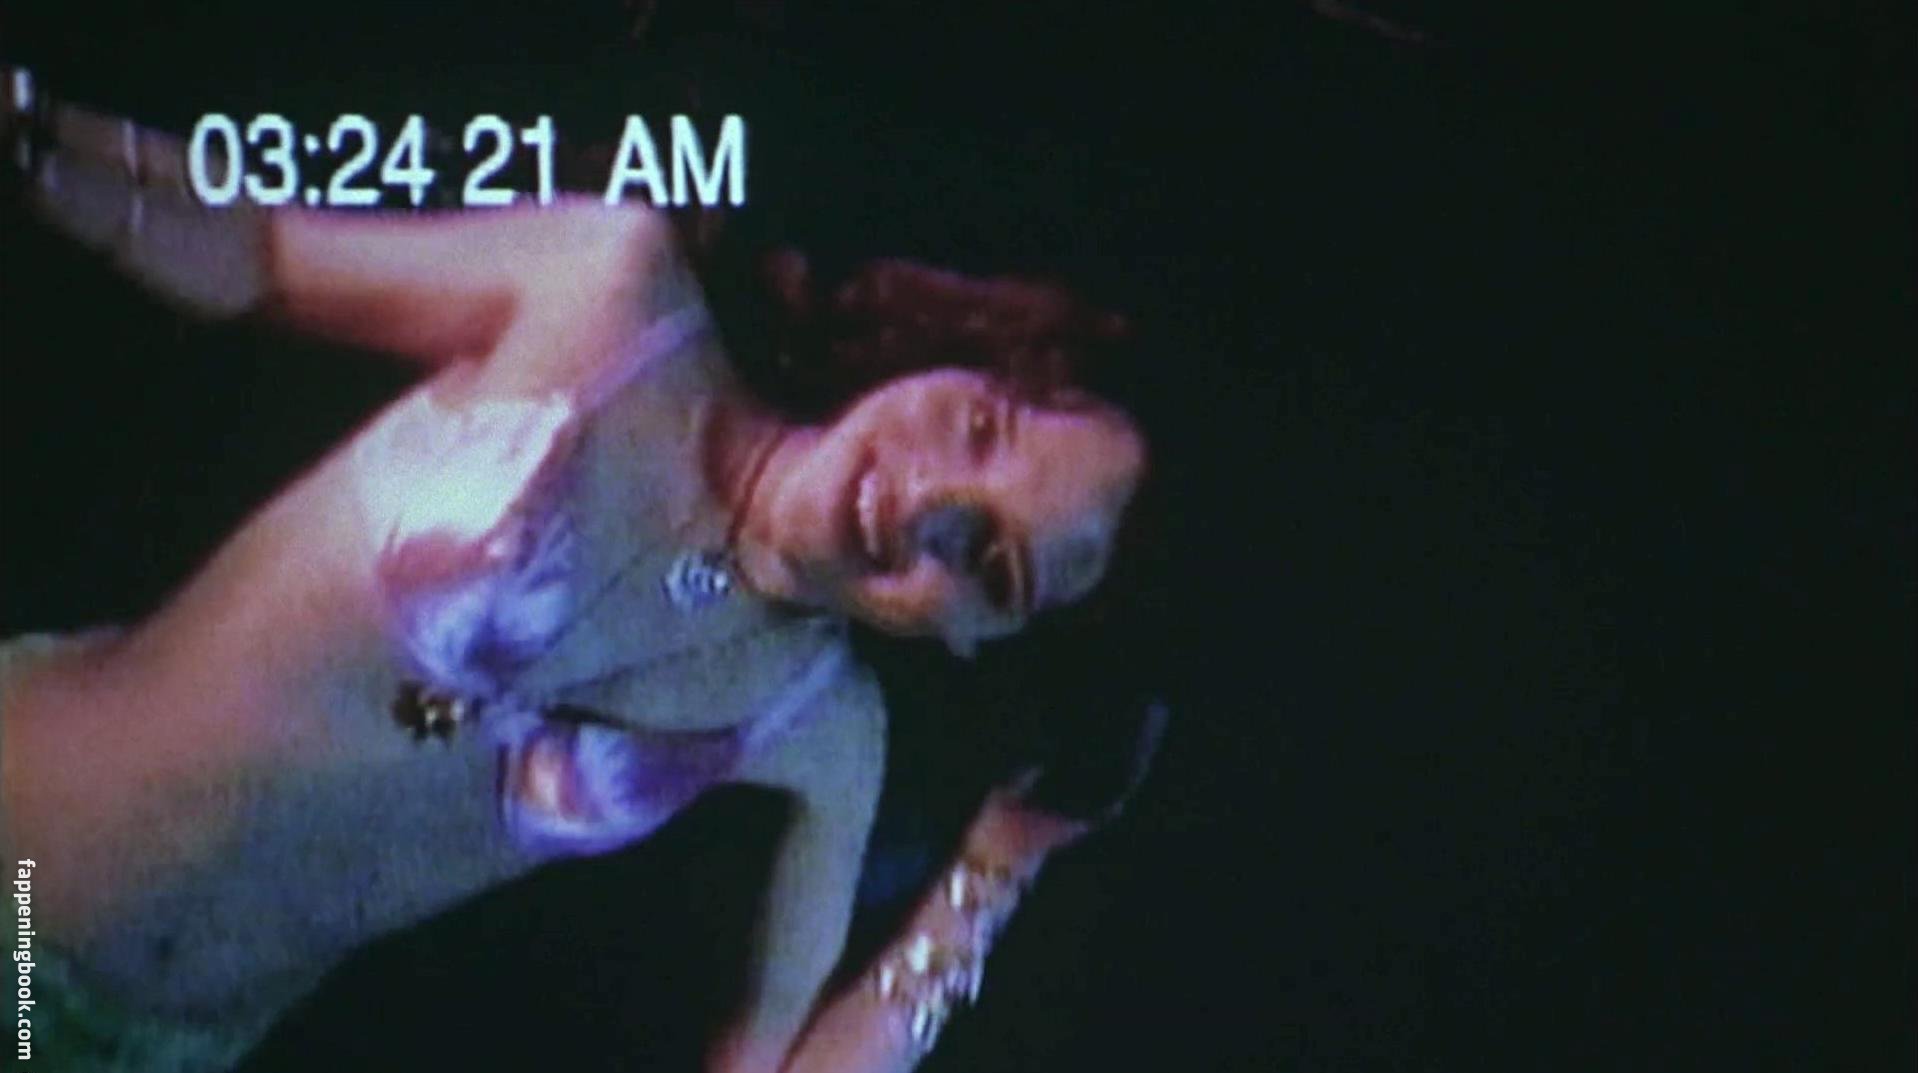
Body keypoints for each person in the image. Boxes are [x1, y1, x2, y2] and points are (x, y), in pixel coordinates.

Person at [0, 75, 1162, 1073]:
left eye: (992, 565)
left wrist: (996, 863)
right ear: (952, 353)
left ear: (975, 640)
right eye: (981, 427)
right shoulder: (613, 290)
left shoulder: (823, 734)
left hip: (144, 1047)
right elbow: (262, 254)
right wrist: (37, 134)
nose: (932, 503)